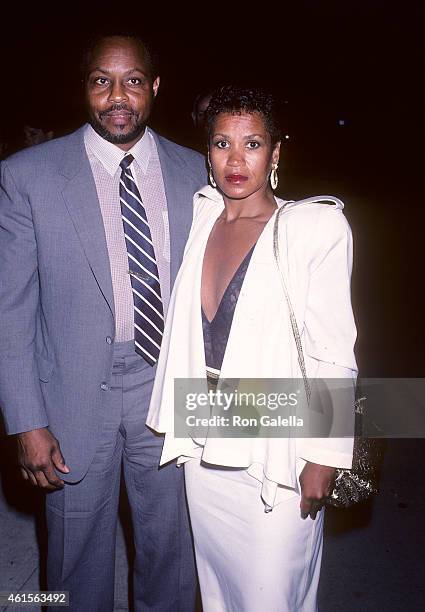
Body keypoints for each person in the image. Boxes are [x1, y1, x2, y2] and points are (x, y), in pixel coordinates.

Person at [0, 34, 206, 611]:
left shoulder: (197, 172)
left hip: (167, 387)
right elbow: (10, 309)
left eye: (133, 80)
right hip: (72, 398)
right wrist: (26, 421)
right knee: (73, 561)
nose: (118, 96)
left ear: (155, 87)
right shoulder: (28, 177)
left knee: (172, 553)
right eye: (101, 81)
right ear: (84, 87)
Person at [147, 86, 358, 611]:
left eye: (253, 143)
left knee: (272, 597)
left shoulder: (314, 227)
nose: (236, 160)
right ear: (207, 153)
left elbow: (332, 348)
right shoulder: (201, 218)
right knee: (218, 595)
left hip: (279, 449)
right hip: (205, 445)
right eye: (222, 143)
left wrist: (324, 456)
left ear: (276, 152)